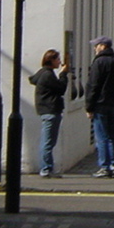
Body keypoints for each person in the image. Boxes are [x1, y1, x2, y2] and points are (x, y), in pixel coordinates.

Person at [85, 35, 114, 179]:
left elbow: (93, 86)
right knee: (113, 136)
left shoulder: (98, 63)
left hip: (100, 104)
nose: (94, 48)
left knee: (102, 137)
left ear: (103, 46)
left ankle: (104, 167)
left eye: (96, 45)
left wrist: (89, 106)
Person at [29, 49, 70, 177]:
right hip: (50, 110)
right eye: (57, 59)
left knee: (48, 141)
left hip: (47, 110)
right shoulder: (48, 75)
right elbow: (61, 88)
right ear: (51, 60)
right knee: (48, 142)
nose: (60, 62)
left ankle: (47, 168)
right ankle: (46, 169)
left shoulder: (43, 73)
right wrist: (63, 74)